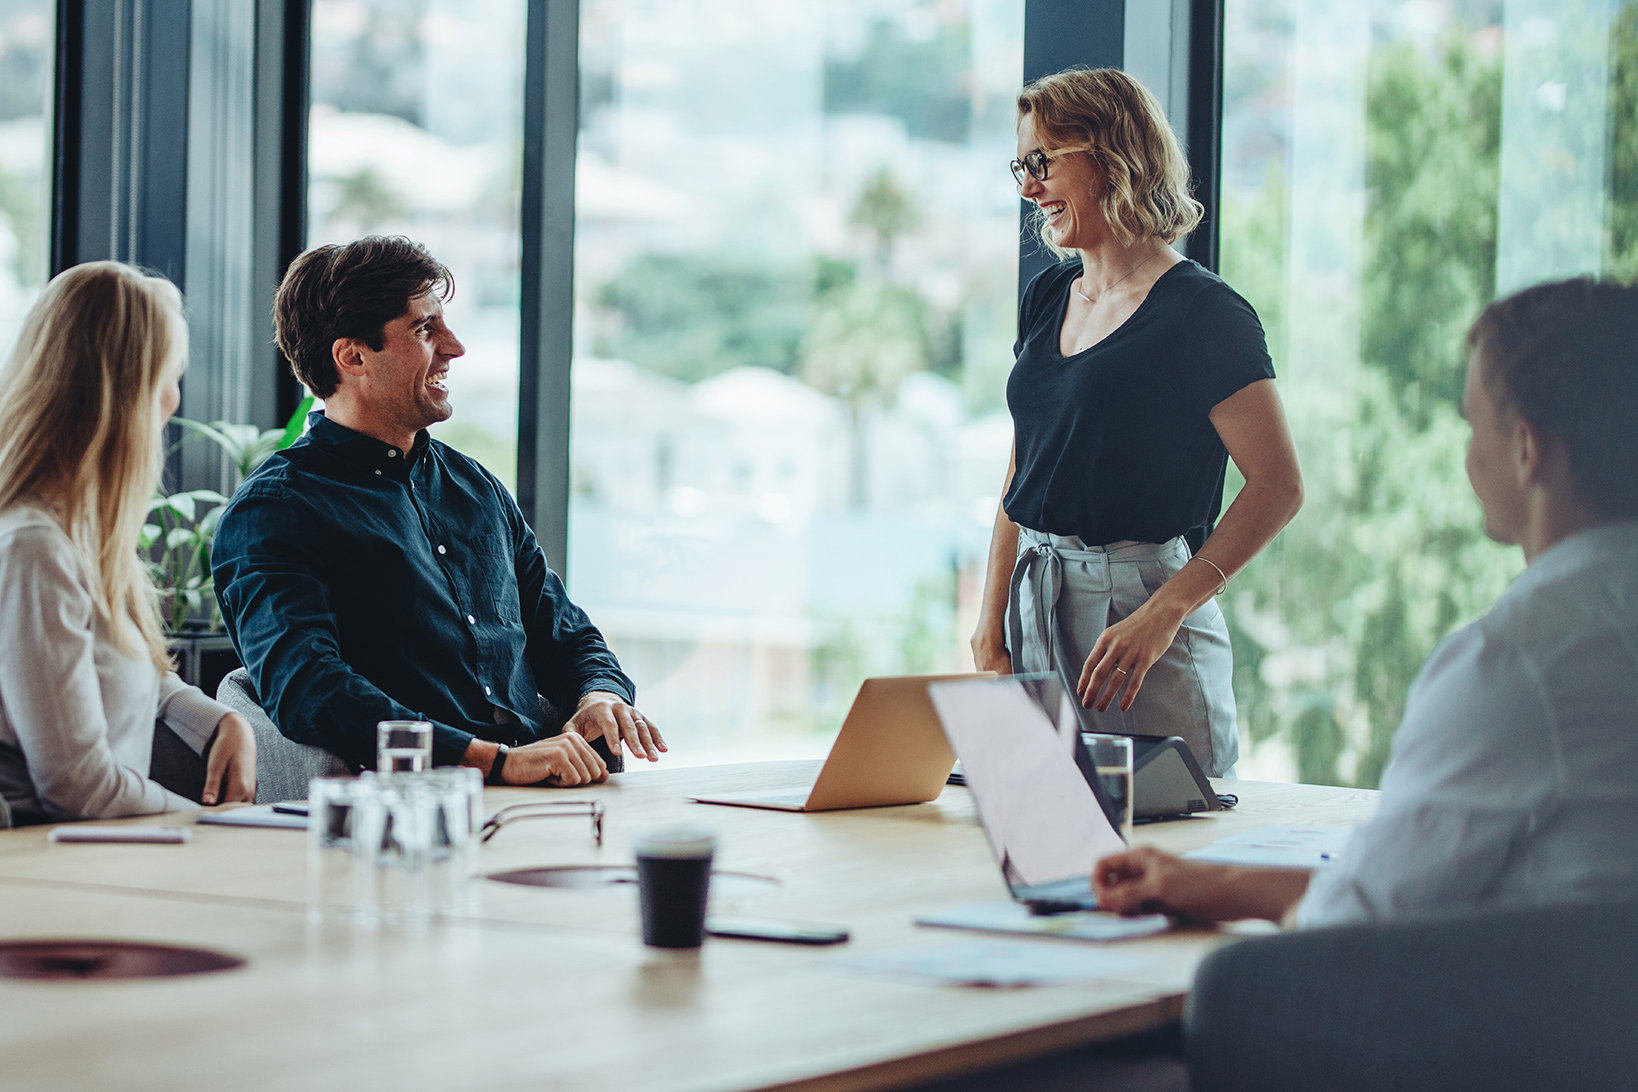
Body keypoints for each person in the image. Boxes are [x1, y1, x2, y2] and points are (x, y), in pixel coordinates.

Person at [1094, 277, 1638, 927]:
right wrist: (1212, 882)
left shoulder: (1513, 664)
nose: (1467, 458)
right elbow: (1397, 886)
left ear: (1526, 450)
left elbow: (1357, 922)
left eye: (1473, 427)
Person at [212, 236, 663, 785]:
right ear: (352, 356)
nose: (454, 347)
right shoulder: (276, 509)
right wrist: (494, 761)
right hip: (408, 810)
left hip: (541, 795)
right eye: (425, 329)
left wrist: (598, 695)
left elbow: (566, 635)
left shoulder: (476, 487)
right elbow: (311, 692)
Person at [970, 68, 1303, 776]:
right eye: (1021, 166)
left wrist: (1166, 611)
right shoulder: (1049, 293)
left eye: (1042, 162)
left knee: (1176, 845)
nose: (1028, 187)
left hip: (1140, 613)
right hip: (1038, 593)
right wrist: (989, 618)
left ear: (1111, 156)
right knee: (1044, 834)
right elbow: (1024, 463)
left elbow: (1277, 486)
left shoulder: (1206, 314)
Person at [0, 262, 257, 822]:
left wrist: (219, 720)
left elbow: (123, 674)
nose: (174, 399)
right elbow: (79, 787)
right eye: (170, 375)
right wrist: (209, 824)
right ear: (127, 393)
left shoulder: (76, 536)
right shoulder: (33, 551)